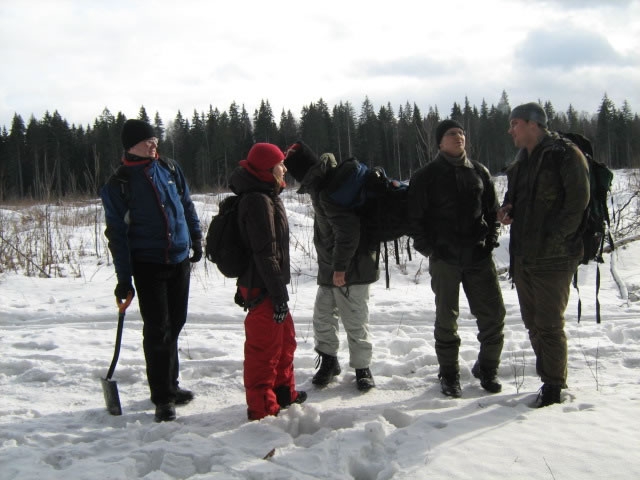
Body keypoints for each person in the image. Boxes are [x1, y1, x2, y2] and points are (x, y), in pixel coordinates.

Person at [100, 119, 203, 422]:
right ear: (131, 146)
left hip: (178, 259)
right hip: (148, 264)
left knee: (176, 322)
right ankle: (162, 397)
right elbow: (117, 235)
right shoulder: (118, 184)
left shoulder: (170, 168)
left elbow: (186, 205)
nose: (154, 145)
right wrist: (123, 278)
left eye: (155, 140)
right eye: (148, 142)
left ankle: (171, 384)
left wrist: (195, 237)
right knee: (158, 329)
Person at [499, 102, 590, 407]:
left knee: (549, 322)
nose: (510, 130)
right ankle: (547, 377)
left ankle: (553, 386)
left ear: (533, 124)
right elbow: (514, 196)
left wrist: (557, 240)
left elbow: (578, 203)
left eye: (515, 124)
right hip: (524, 254)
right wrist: (507, 208)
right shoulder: (521, 160)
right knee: (533, 321)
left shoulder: (564, 154)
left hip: (554, 256)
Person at [408, 119, 506, 398]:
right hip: (445, 259)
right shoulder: (426, 175)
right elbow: (414, 219)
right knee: (446, 319)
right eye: (452, 134)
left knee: (493, 315)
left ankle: (488, 368)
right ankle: (449, 374)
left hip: (478, 256)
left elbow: (492, 211)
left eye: (462, 133)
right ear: (440, 142)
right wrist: (431, 250)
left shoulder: (479, 171)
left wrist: (490, 241)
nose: (459, 137)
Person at [284, 142, 378, 392]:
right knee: (322, 316)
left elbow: (348, 233)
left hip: (351, 267)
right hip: (331, 265)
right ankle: (329, 361)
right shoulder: (322, 184)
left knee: (355, 319)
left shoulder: (329, 188)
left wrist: (339, 268)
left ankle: (362, 368)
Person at [229, 142, 306, 421]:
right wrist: (278, 296)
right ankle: (262, 409)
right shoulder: (257, 200)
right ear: (266, 168)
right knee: (264, 351)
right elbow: (265, 254)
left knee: (285, 342)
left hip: (268, 285)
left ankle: (284, 393)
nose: (285, 168)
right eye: (280, 164)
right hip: (264, 287)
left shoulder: (268, 194)